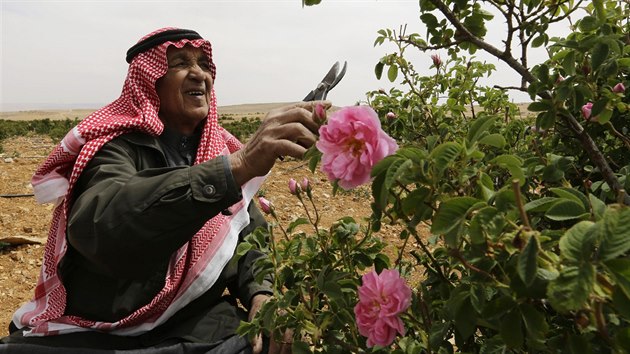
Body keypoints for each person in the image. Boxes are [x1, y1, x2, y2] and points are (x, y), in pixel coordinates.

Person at [0, 27, 329, 354]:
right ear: (150, 80)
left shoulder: (217, 149)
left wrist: (262, 294)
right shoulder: (114, 150)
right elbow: (105, 227)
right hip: (111, 334)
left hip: (199, 327)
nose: (199, 74)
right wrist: (236, 166)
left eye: (204, 64)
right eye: (181, 63)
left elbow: (247, 235)